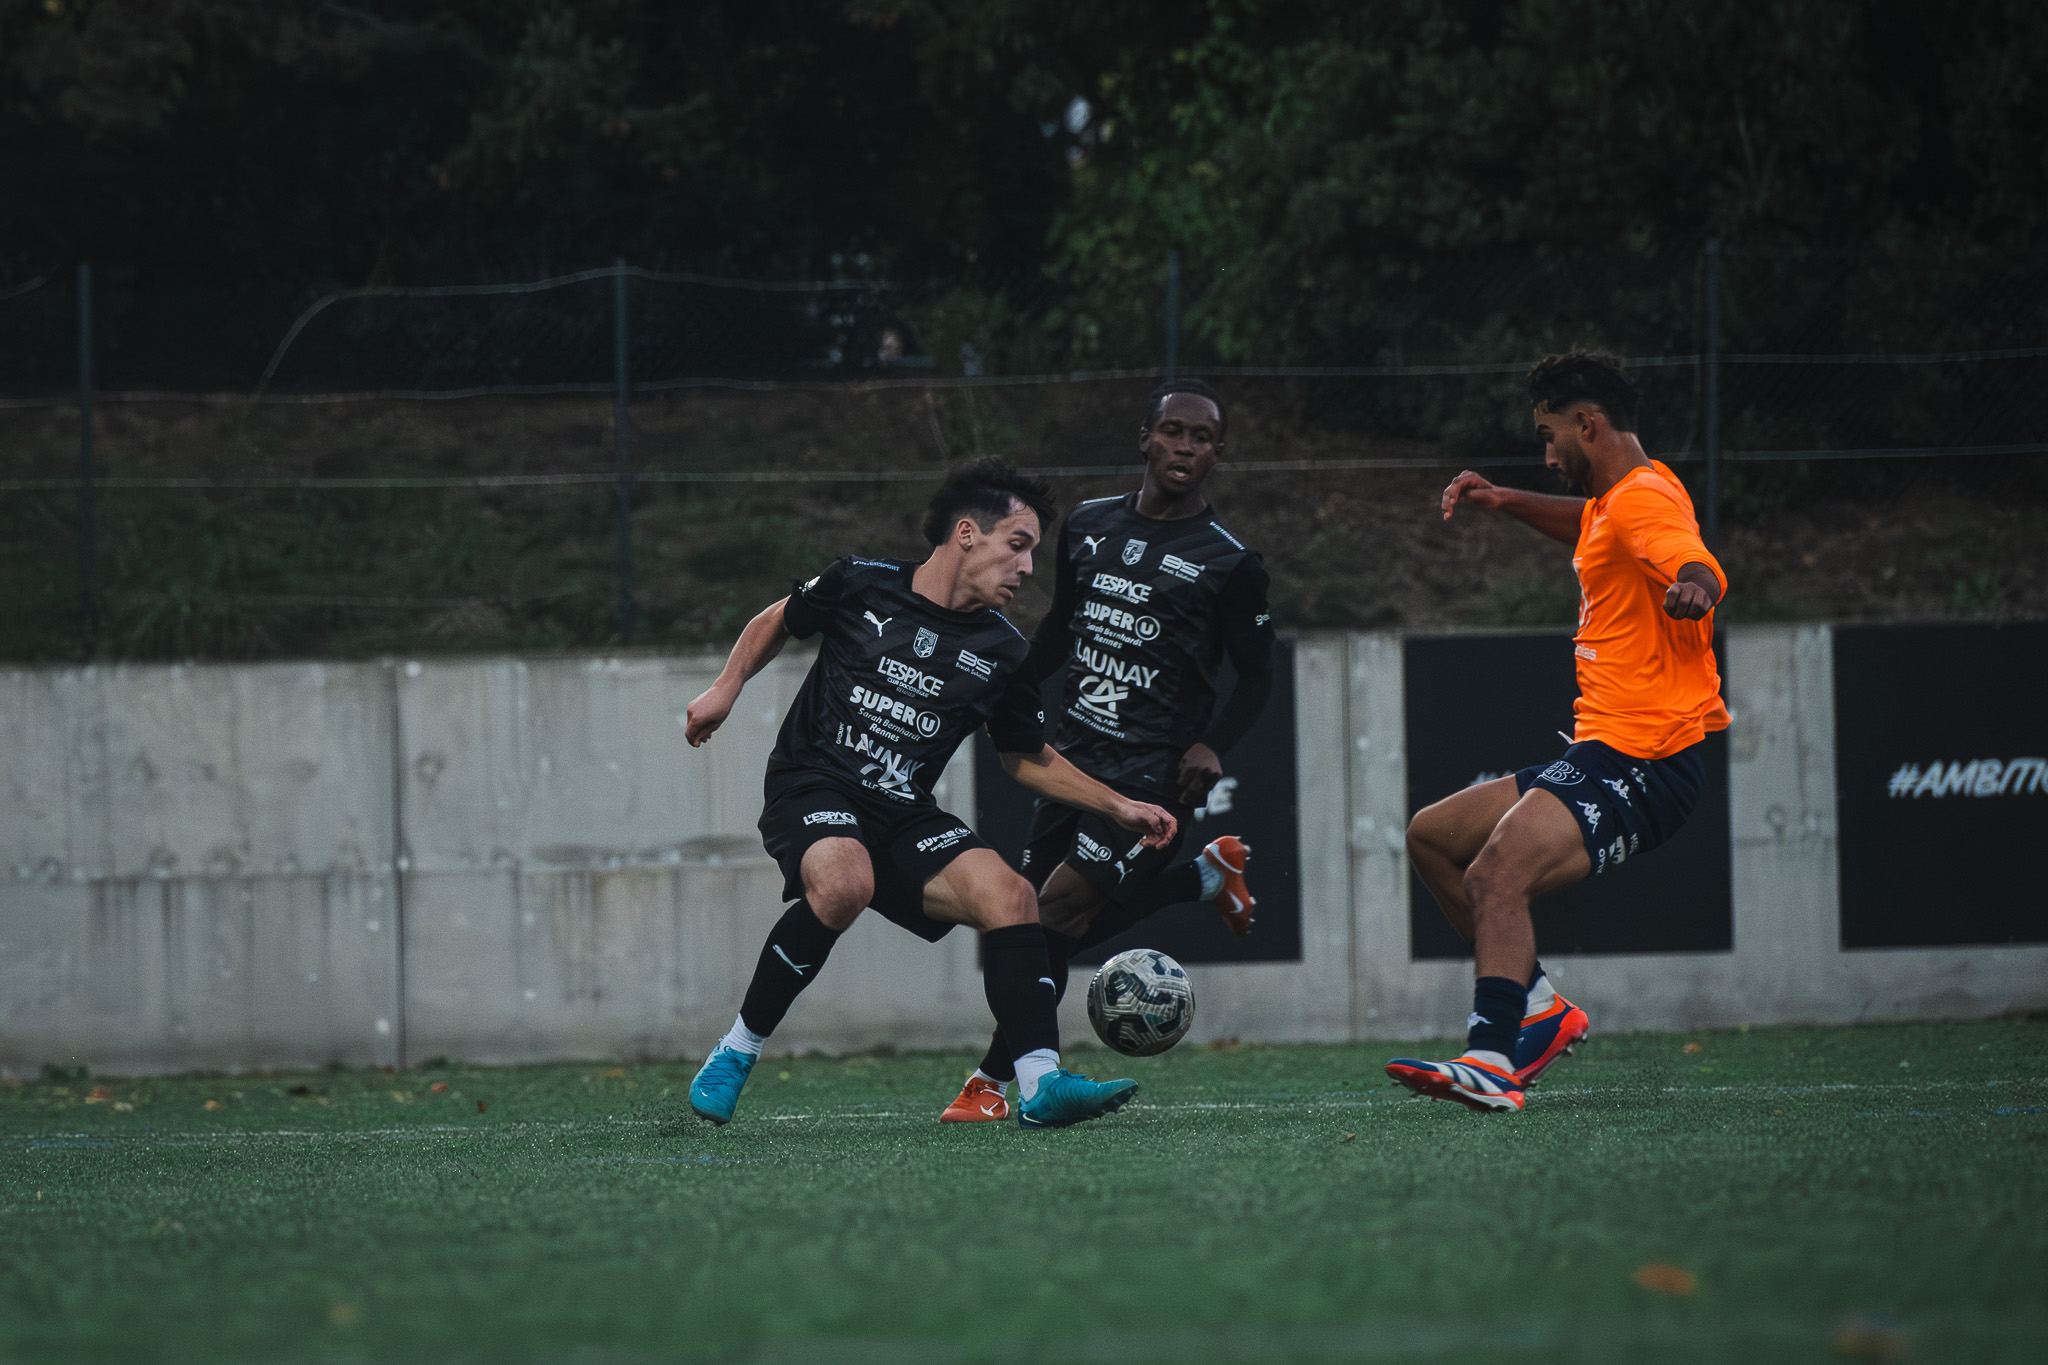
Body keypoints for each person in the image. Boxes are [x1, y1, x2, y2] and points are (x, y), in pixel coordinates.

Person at [682, 457, 1179, 1130]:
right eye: (1018, 545)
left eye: (1032, 552)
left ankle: (1040, 1084)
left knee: (1013, 896)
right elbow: (780, 617)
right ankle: (736, 1050)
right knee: (845, 882)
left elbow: (1025, 757)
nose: (1028, 567)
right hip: (812, 782)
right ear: (967, 533)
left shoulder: (1004, 651)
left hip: (901, 811)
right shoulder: (862, 581)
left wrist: (1119, 805)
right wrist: (726, 687)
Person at [1388, 350, 1728, 1113]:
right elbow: (1594, 526)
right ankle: (1539, 1008)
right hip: (1606, 749)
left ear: (1588, 425)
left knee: (1495, 874)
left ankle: (1491, 1057)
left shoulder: (1644, 500)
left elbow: (1695, 560)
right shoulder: (1618, 501)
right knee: (1434, 837)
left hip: (1646, 757)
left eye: (1550, 437)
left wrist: (1695, 588)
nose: (1546, 455)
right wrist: (1505, 499)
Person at [940, 379, 1277, 1123]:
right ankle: (1201, 879)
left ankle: (996, 1083)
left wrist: (1212, 744)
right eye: (1174, 431)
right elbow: (1060, 628)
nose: (1186, 447)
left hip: (1155, 771)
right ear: (1145, 438)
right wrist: (1003, 688)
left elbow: (1258, 676)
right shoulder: (1088, 524)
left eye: (1203, 438)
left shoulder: (1229, 562)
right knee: (1032, 925)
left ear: (1218, 454)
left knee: (1048, 917)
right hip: (1073, 760)